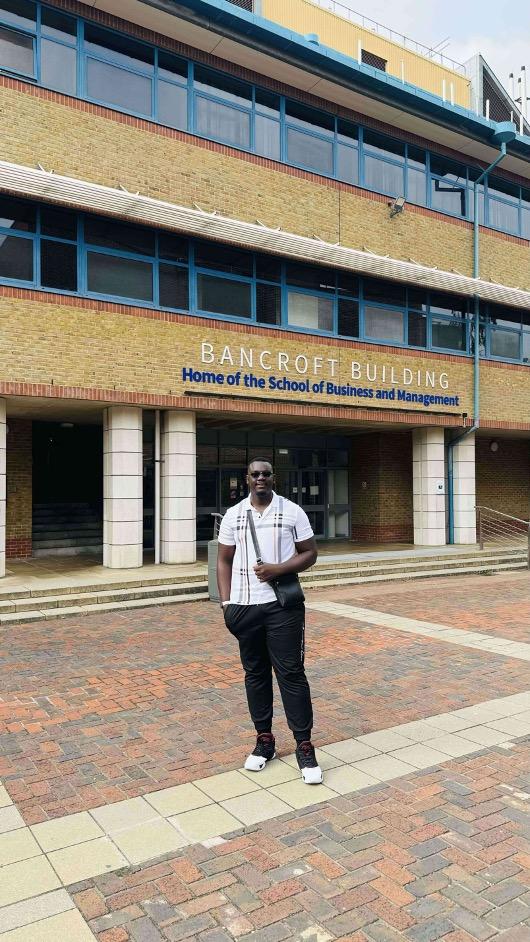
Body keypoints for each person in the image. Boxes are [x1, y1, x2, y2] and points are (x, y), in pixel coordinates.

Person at [217, 457, 322, 784]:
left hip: (282, 607)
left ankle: (304, 745)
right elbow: (223, 560)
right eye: (255, 474)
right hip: (245, 608)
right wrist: (226, 603)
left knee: (291, 673)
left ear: (273, 477)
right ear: (247, 478)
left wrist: (278, 569)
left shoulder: (292, 511)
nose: (260, 478)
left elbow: (310, 553)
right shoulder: (234, 515)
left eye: (266, 473)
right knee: (255, 674)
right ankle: (264, 741)